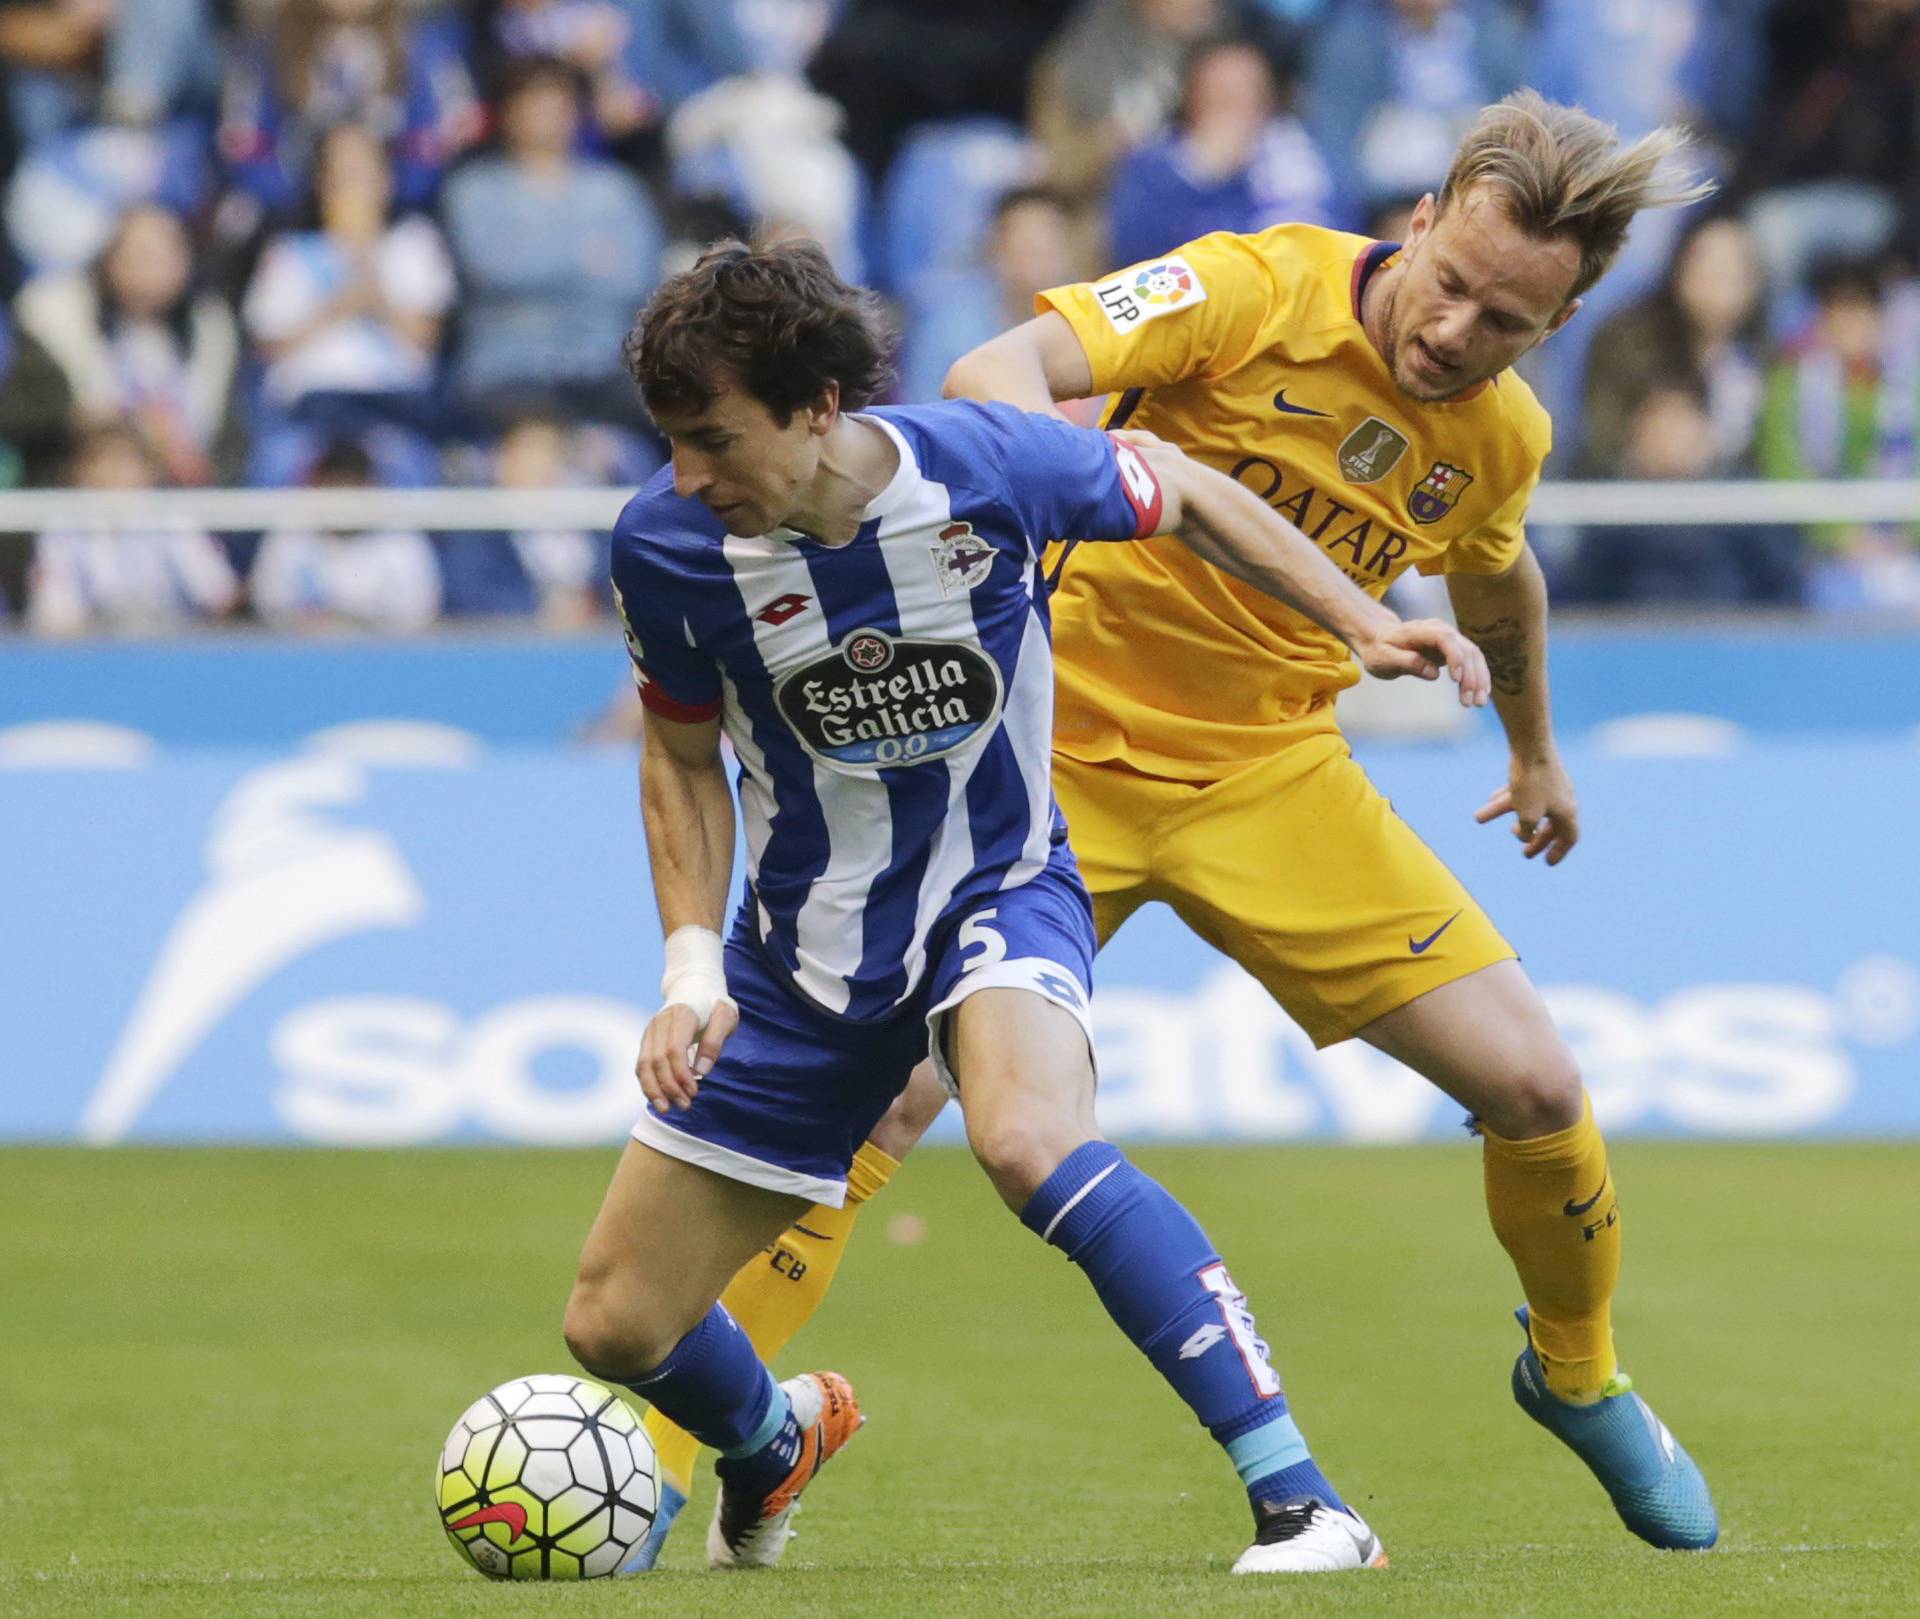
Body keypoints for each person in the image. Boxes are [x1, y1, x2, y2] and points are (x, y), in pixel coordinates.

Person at [646, 92, 1726, 1563]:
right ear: (1419, 221)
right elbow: (996, 365)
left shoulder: (1501, 434)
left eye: (1508, 322)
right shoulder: (1246, 283)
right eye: (1453, 284)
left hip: (1271, 773)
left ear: (1565, 317)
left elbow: (1497, 582)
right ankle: (655, 1452)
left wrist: (1537, 755)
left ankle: (1580, 1377)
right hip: (1046, 762)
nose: (1457, 334)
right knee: (879, 1109)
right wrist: (1050, 493)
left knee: (1535, 1085)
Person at [561, 239, 1489, 1575]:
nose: (687, 473)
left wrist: (1362, 619)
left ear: (819, 407)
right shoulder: (665, 547)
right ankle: (772, 1441)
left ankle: (1306, 1502)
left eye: (712, 439)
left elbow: (1179, 485)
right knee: (615, 1324)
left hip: (1001, 892)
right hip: (806, 956)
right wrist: (690, 969)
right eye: (671, 442)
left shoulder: (983, 467)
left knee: (1027, 1139)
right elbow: (680, 758)